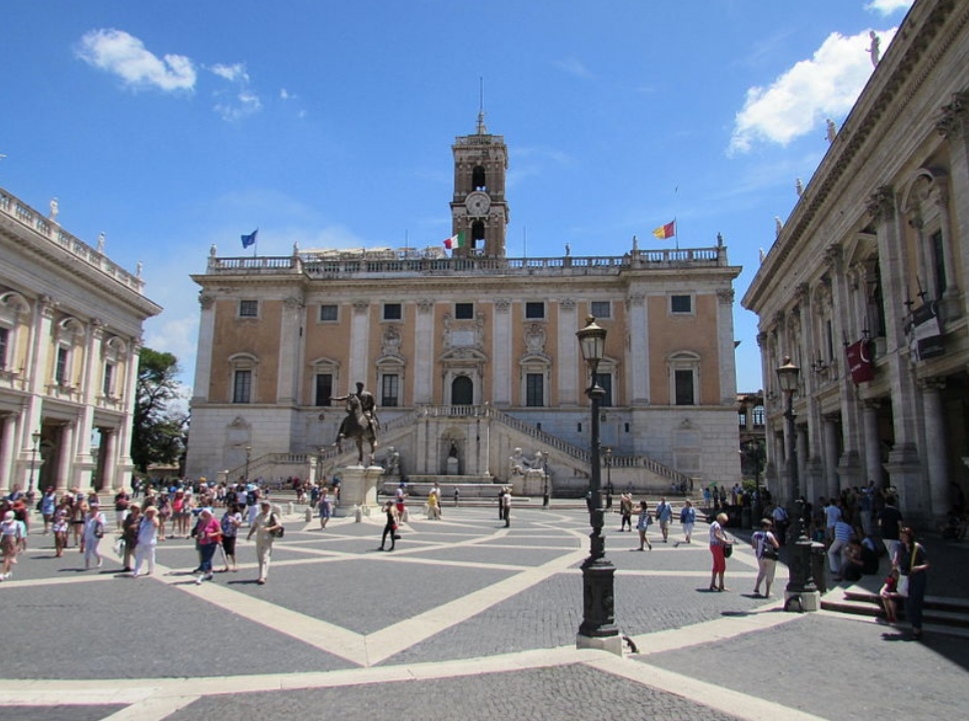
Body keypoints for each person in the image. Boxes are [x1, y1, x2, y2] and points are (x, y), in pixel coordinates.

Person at [895, 527, 929, 639]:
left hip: (917, 577)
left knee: (915, 603)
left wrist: (918, 567)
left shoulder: (918, 548)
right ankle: (914, 625)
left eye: (904, 536)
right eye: (901, 536)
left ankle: (917, 629)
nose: (902, 538)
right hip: (906, 577)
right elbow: (897, 558)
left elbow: (927, 564)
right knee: (908, 603)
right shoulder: (901, 547)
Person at [247, 500, 283, 584]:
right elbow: (254, 526)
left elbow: (279, 525)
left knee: (265, 557)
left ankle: (262, 576)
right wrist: (249, 535)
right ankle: (263, 574)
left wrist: (269, 528)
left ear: (268, 507)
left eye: (265, 506)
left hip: (268, 538)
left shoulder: (272, 515)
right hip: (259, 538)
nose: (263, 507)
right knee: (260, 557)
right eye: (262, 506)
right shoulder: (259, 515)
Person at [751, 518, 780, 597]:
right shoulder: (769, 534)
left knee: (762, 571)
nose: (770, 528)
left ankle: (757, 587)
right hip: (769, 556)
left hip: (760, 556)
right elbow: (776, 545)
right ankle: (767, 592)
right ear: (765, 527)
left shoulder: (755, 534)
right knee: (770, 573)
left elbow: (753, 546)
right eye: (769, 526)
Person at [194, 508, 222, 584]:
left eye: (206, 513)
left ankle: (202, 575)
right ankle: (210, 573)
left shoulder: (214, 521)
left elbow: (220, 531)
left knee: (206, 559)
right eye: (204, 514)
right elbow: (199, 532)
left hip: (211, 542)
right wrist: (198, 536)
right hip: (203, 542)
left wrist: (212, 534)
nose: (205, 515)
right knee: (206, 558)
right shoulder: (202, 522)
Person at [132, 506, 159, 577]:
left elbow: (156, 525)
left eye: (152, 512)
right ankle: (137, 571)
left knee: (150, 556)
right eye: (149, 512)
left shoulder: (155, 519)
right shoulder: (143, 519)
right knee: (139, 557)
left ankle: (150, 569)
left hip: (150, 542)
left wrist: (152, 517)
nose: (150, 513)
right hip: (141, 540)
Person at [709, 512, 732, 592]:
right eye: (724, 521)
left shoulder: (713, 523)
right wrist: (725, 541)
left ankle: (712, 584)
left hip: (712, 545)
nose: (724, 523)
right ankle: (721, 585)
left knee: (716, 565)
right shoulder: (717, 525)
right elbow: (717, 535)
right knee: (722, 565)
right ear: (720, 519)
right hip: (717, 546)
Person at [0, 510, 25, 580]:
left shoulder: (17, 524)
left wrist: (18, 545)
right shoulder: (2, 524)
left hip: (12, 540)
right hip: (4, 540)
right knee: (6, 556)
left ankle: (2, 573)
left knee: (7, 558)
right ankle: (8, 571)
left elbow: (20, 536)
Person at [82, 501, 107, 569]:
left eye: (95, 508)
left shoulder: (100, 514)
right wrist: (83, 536)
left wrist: (99, 520)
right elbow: (85, 526)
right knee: (87, 549)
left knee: (94, 550)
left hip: (96, 534)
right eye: (92, 508)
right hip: (88, 534)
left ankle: (99, 558)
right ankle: (87, 564)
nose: (93, 509)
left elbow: (104, 523)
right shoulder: (87, 516)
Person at [828, 517, 854, 581]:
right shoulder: (848, 526)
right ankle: (844, 569)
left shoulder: (837, 523)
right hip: (846, 541)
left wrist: (831, 538)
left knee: (830, 552)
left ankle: (834, 569)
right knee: (844, 555)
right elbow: (852, 535)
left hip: (838, 539)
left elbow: (831, 528)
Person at [878, 495, 903, 561]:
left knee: (892, 553)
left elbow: (879, 524)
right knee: (895, 555)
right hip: (894, 535)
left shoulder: (882, 512)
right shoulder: (896, 512)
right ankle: (896, 569)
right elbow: (900, 524)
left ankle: (895, 568)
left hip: (885, 535)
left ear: (886, 503)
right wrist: (901, 534)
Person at [220, 504, 243, 572]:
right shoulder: (226, 514)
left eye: (230, 507)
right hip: (224, 533)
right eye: (228, 506)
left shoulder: (237, 514)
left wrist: (234, 521)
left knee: (231, 550)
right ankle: (226, 565)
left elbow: (239, 524)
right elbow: (222, 522)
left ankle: (235, 564)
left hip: (232, 534)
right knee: (224, 550)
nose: (228, 508)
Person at [120, 505, 141, 572]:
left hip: (136, 535)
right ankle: (127, 566)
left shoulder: (141, 517)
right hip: (128, 534)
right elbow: (125, 524)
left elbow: (141, 525)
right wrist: (124, 530)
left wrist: (136, 527)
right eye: (132, 508)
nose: (133, 510)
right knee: (127, 551)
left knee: (133, 550)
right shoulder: (129, 515)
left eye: (135, 508)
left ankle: (139, 562)